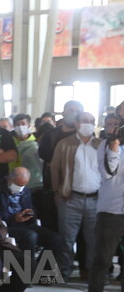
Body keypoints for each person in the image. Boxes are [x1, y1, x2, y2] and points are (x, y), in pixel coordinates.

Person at [49, 111, 100, 280]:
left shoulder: (101, 144)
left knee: (94, 239)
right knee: (67, 239)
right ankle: (64, 270)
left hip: (96, 199)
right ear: (77, 124)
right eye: (85, 121)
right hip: (70, 198)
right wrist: (57, 192)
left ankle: (92, 272)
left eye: (92, 121)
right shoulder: (64, 144)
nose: (89, 124)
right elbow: (54, 168)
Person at [82, 131, 124, 292]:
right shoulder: (106, 145)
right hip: (111, 211)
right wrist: (114, 147)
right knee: (101, 261)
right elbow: (108, 172)